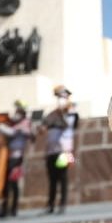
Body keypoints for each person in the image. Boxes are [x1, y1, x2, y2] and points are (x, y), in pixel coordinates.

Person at [42, 85, 79, 214]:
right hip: (51, 150)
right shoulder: (53, 113)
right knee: (52, 179)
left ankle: (62, 204)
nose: (60, 99)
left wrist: (63, 111)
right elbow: (44, 125)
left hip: (64, 151)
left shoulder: (71, 111)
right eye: (58, 97)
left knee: (62, 178)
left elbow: (68, 124)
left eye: (62, 97)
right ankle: (50, 205)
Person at [0, 101, 34, 217]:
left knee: (13, 183)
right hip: (10, 156)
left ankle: (13, 208)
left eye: (18, 111)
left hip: (17, 158)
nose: (16, 113)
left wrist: (0, 126)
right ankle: (5, 208)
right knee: (6, 184)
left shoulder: (24, 124)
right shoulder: (15, 123)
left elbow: (12, 133)